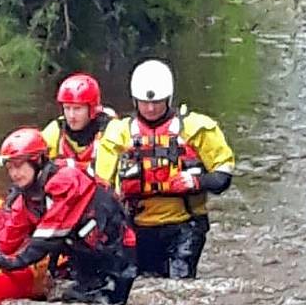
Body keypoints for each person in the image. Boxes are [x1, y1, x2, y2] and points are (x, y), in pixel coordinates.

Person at [0, 128, 136, 305]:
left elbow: (50, 235)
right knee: (70, 297)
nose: (14, 173)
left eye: (19, 165)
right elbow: (7, 239)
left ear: (36, 161)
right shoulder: (26, 200)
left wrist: (16, 262)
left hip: (116, 256)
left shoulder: (66, 181)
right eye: (9, 167)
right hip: (86, 259)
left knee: (87, 303)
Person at [95, 59, 235, 279]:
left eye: (157, 102)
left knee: (180, 286)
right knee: (139, 283)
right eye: (144, 102)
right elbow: (102, 187)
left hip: (184, 225)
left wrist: (196, 182)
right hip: (137, 226)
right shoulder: (118, 134)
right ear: (135, 100)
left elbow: (223, 176)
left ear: (168, 98)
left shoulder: (196, 128)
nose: (150, 108)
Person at [41, 73, 121, 171]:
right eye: (67, 108)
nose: (71, 115)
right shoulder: (56, 130)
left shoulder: (112, 130)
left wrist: (70, 165)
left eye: (77, 109)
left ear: (92, 108)